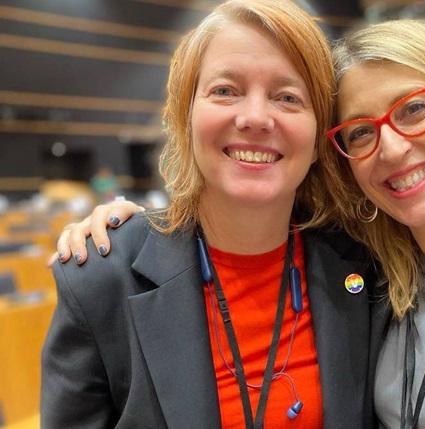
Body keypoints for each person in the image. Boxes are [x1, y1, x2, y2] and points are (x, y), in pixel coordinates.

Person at [56, 19, 425, 429]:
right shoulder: (375, 276)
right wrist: (128, 223)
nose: (391, 148)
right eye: (360, 132)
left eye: (414, 109)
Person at [41, 1, 377, 428]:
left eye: (287, 97)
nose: (255, 117)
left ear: (316, 140)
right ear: (187, 117)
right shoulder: (101, 278)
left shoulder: (365, 266)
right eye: (225, 90)